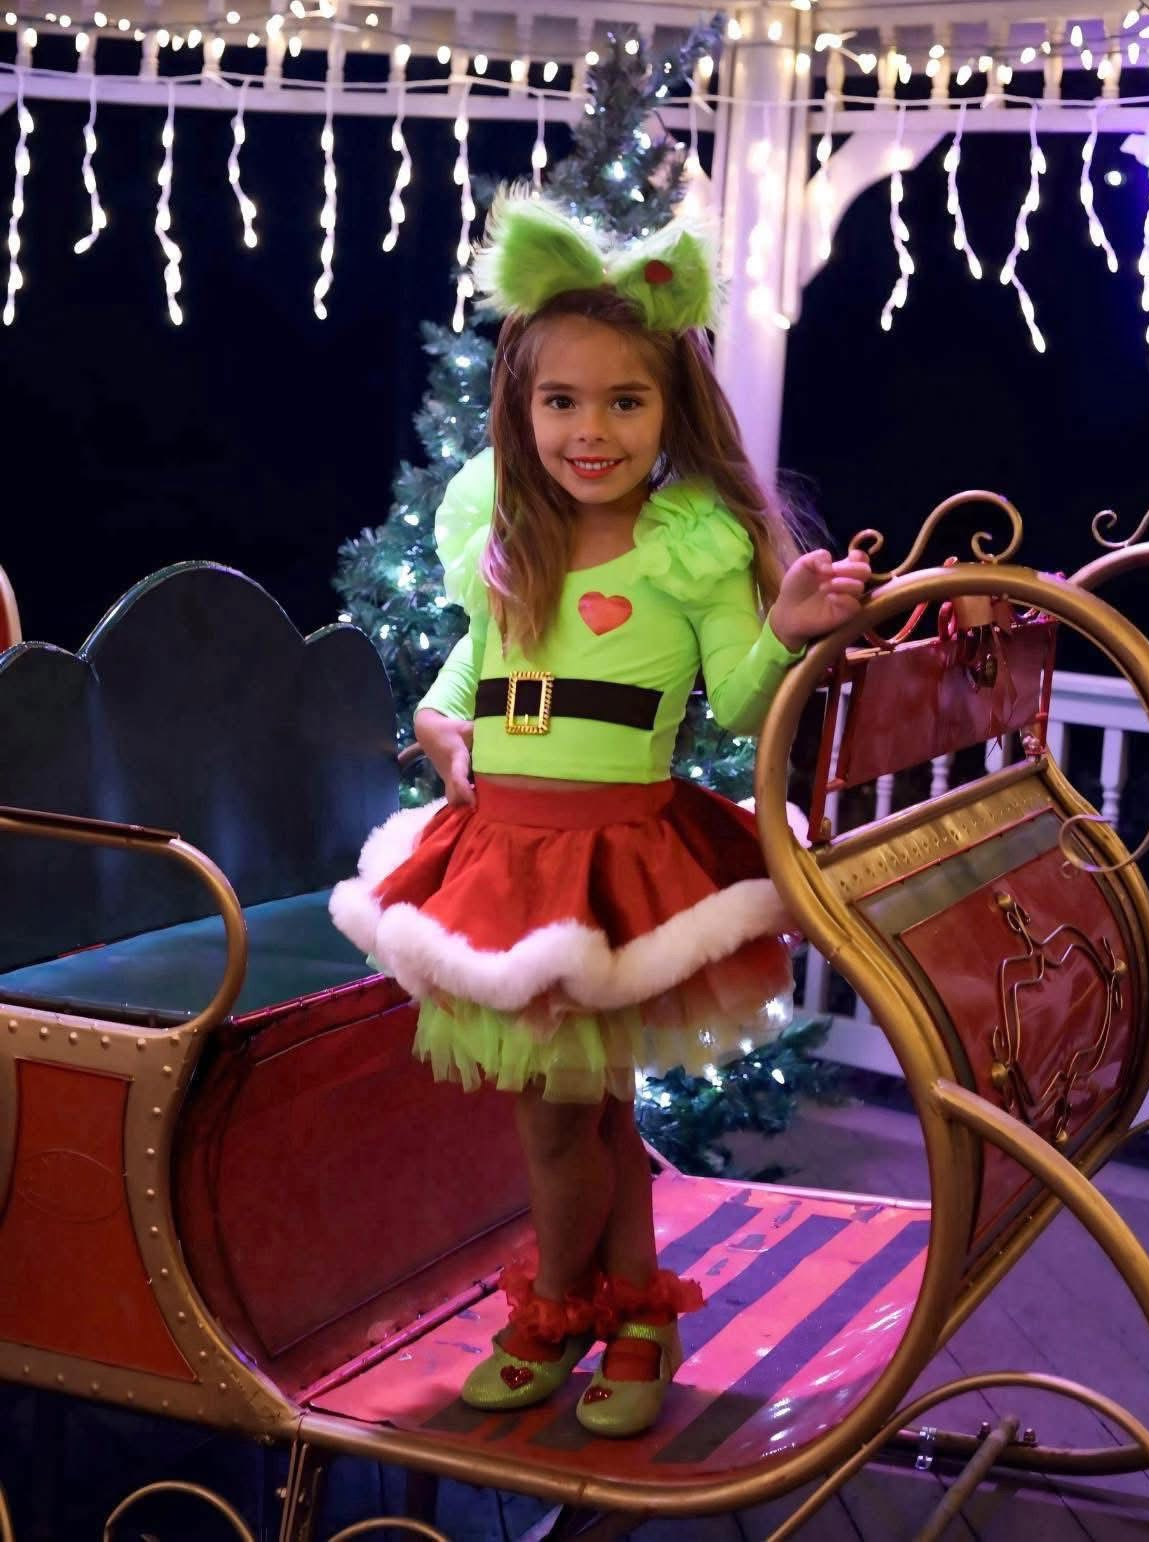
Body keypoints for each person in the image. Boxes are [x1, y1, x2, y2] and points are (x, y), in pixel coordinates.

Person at [331, 191, 870, 1438]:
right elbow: (471, 670)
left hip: (614, 862)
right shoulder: (508, 540)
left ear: (671, 410)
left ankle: (554, 1307)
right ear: (520, 411)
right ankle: (637, 1314)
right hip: (505, 864)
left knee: (558, 1120)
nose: (590, 430)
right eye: (561, 402)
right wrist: (440, 723)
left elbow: (743, 701)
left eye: (624, 402)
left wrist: (788, 632)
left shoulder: (690, 547)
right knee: (594, 1111)